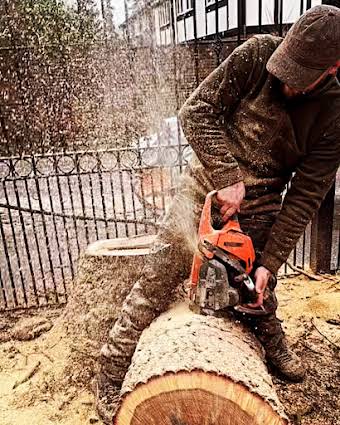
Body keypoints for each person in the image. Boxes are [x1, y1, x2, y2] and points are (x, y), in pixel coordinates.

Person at [94, 5, 340, 424]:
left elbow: (305, 196)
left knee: (254, 290)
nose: (288, 82)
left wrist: (270, 264)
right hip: (204, 187)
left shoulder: (334, 115)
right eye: (288, 68)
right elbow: (197, 111)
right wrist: (227, 176)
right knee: (155, 279)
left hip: (263, 205)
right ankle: (111, 372)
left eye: (302, 75)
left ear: (333, 67)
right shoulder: (256, 54)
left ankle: (271, 340)